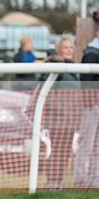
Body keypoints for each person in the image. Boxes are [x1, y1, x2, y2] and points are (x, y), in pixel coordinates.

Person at [37, 36, 81, 190]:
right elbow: (45, 92)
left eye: (71, 47)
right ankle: (53, 182)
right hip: (58, 119)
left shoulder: (74, 69)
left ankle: (58, 181)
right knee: (57, 152)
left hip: (71, 120)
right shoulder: (56, 68)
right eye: (66, 47)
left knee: (65, 152)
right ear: (59, 50)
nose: (69, 50)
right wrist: (61, 108)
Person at [74, 23, 99, 188]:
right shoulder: (91, 53)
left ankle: (95, 179)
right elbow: (86, 82)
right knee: (87, 144)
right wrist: (92, 103)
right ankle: (80, 179)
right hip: (92, 107)